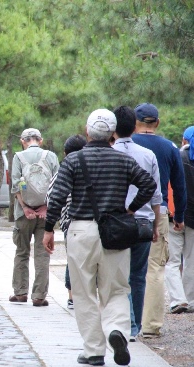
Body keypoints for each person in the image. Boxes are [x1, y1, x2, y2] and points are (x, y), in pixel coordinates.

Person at [44, 108, 157, 366]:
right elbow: (148, 185)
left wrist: (49, 229)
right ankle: (116, 330)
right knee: (117, 289)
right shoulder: (124, 161)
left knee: (84, 292)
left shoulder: (73, 161)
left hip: (80, 231)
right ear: (113, 134)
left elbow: (58, 196)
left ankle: (94, 350)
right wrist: (129, 209)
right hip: (114, 232)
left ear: (87, 132)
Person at [132, 103, 187, 338]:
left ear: (135, 122)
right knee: (155, 268)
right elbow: (179, 185)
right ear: (158, 123)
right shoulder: (169, 147)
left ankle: (126, 320)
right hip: (157, 212)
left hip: (125, 213)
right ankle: (151, 324)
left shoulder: (127, 144)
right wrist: (179, 216)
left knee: (125, 267)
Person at [112, 105, 162, 341]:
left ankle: (127, 322)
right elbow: (156, 195)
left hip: (115, 222)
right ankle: (136, 326)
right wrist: (156, 225)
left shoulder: (110, 153)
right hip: (142, 220)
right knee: (138, 276)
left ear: (113, 129)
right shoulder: (147, 155)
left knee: (118, 275)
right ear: (134, 127)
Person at [9, 128, 59, 306]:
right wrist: (46, 207)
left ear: (23, 141)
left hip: (24, 213)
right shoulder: (51, 156)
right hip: (46, 213)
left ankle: (20, 292)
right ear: (41, 140)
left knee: (22, 252)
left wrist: (25, 207)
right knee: (42, 253)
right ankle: (39, 296)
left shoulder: (18, 157)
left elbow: (15, 185)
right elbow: (57, 185)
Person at [46, 134, 87, 310]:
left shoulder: (63, 171)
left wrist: (50, 225)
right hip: (88, 218)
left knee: (73, 259)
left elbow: (51, 197)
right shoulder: (89, 169)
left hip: (68, 222)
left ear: (65, 152)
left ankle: (72, 296)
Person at [165, 126, 194, 314]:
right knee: (192, 260)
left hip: (175, 216)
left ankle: (178, 299)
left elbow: (170, 186)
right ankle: (191, 299)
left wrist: (173, 212)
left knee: (172, 261)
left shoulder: (177, 157)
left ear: (184, 140)